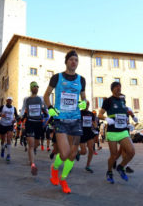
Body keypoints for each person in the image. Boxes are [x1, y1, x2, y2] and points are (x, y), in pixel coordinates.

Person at [44, 50, 87, 194]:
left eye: (76, 60)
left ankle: (63, 179)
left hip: (75, 120)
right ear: (66, 61)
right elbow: (46, 95)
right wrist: (50, 108)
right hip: (61, 120)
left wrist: (84, 104)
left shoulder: (81, 80)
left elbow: (84, 99)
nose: (74, 62)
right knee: (64, 154)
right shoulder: (57, 77)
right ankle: (54, 168)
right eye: (71, 59)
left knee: (73, 154)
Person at [98, 82, 135, 184]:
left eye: (120, 87)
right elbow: (99, 114)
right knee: (113, 155)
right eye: (116, 87)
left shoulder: (123, 101)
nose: (119, 89)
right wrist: (106, 119)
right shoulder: (108, 101)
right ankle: (109, 171)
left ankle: (121, 167)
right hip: (112, 132)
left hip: (123, 131)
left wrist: (128, 123)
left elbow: (124, 115)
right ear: (112, 89)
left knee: (131, 151)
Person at [21, 81, 48, 176]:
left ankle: (33, 151)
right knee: (31, 145)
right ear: (31, 88)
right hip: (30, 122)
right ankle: (32, 164)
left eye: (37, 86)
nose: (36, 88)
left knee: (37, 143)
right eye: (34, 87)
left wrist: (48, 114)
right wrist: (20, 117)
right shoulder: (26, 99)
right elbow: (23, 108)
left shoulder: (41, 98)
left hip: (38, 124)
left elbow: (46, 108)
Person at [0, 97, 20, 163]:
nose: (9, 102)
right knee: (2, 140)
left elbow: (17, 116)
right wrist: (1, 115)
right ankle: (2, 148)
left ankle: (8, 155)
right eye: (8, 100)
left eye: (10, 101)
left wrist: (15, 119)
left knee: (8, 139)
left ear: (12, 101)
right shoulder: (2, 107)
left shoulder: (14, 108)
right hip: (2, 124)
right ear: (6, 101)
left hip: (10, 125)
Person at [79, 101, 97, 173]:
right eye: (86, 104)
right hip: (81, 133)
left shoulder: (91, 114)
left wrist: (95, 126)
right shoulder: (79, 113)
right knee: (83, 151)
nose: (87, 105)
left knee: (91, 150)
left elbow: (93, 122)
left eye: (88, 104)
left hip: (89, 132)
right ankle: (77, 153)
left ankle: (88, 165)